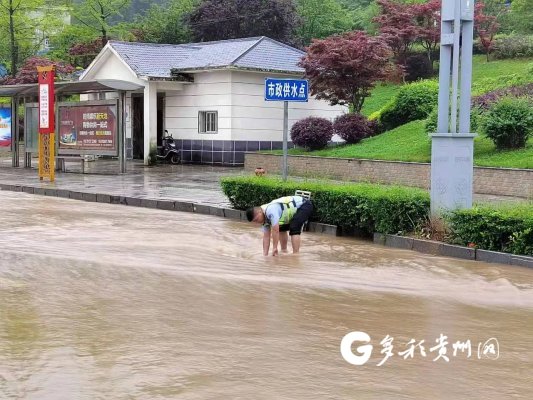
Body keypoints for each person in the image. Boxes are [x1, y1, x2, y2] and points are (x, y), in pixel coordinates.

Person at [246, 195, 314, 256]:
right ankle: (284, 250)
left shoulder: (270, 210)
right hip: (294, 212)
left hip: (304, 205)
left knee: (294, 226)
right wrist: (265, 255)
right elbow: (266, 237)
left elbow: (275, 230)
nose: (257, 222)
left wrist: (275, 248)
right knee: (282, 228)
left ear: (260, 212)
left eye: (256, 220)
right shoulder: (264, 219)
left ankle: (296, 255)